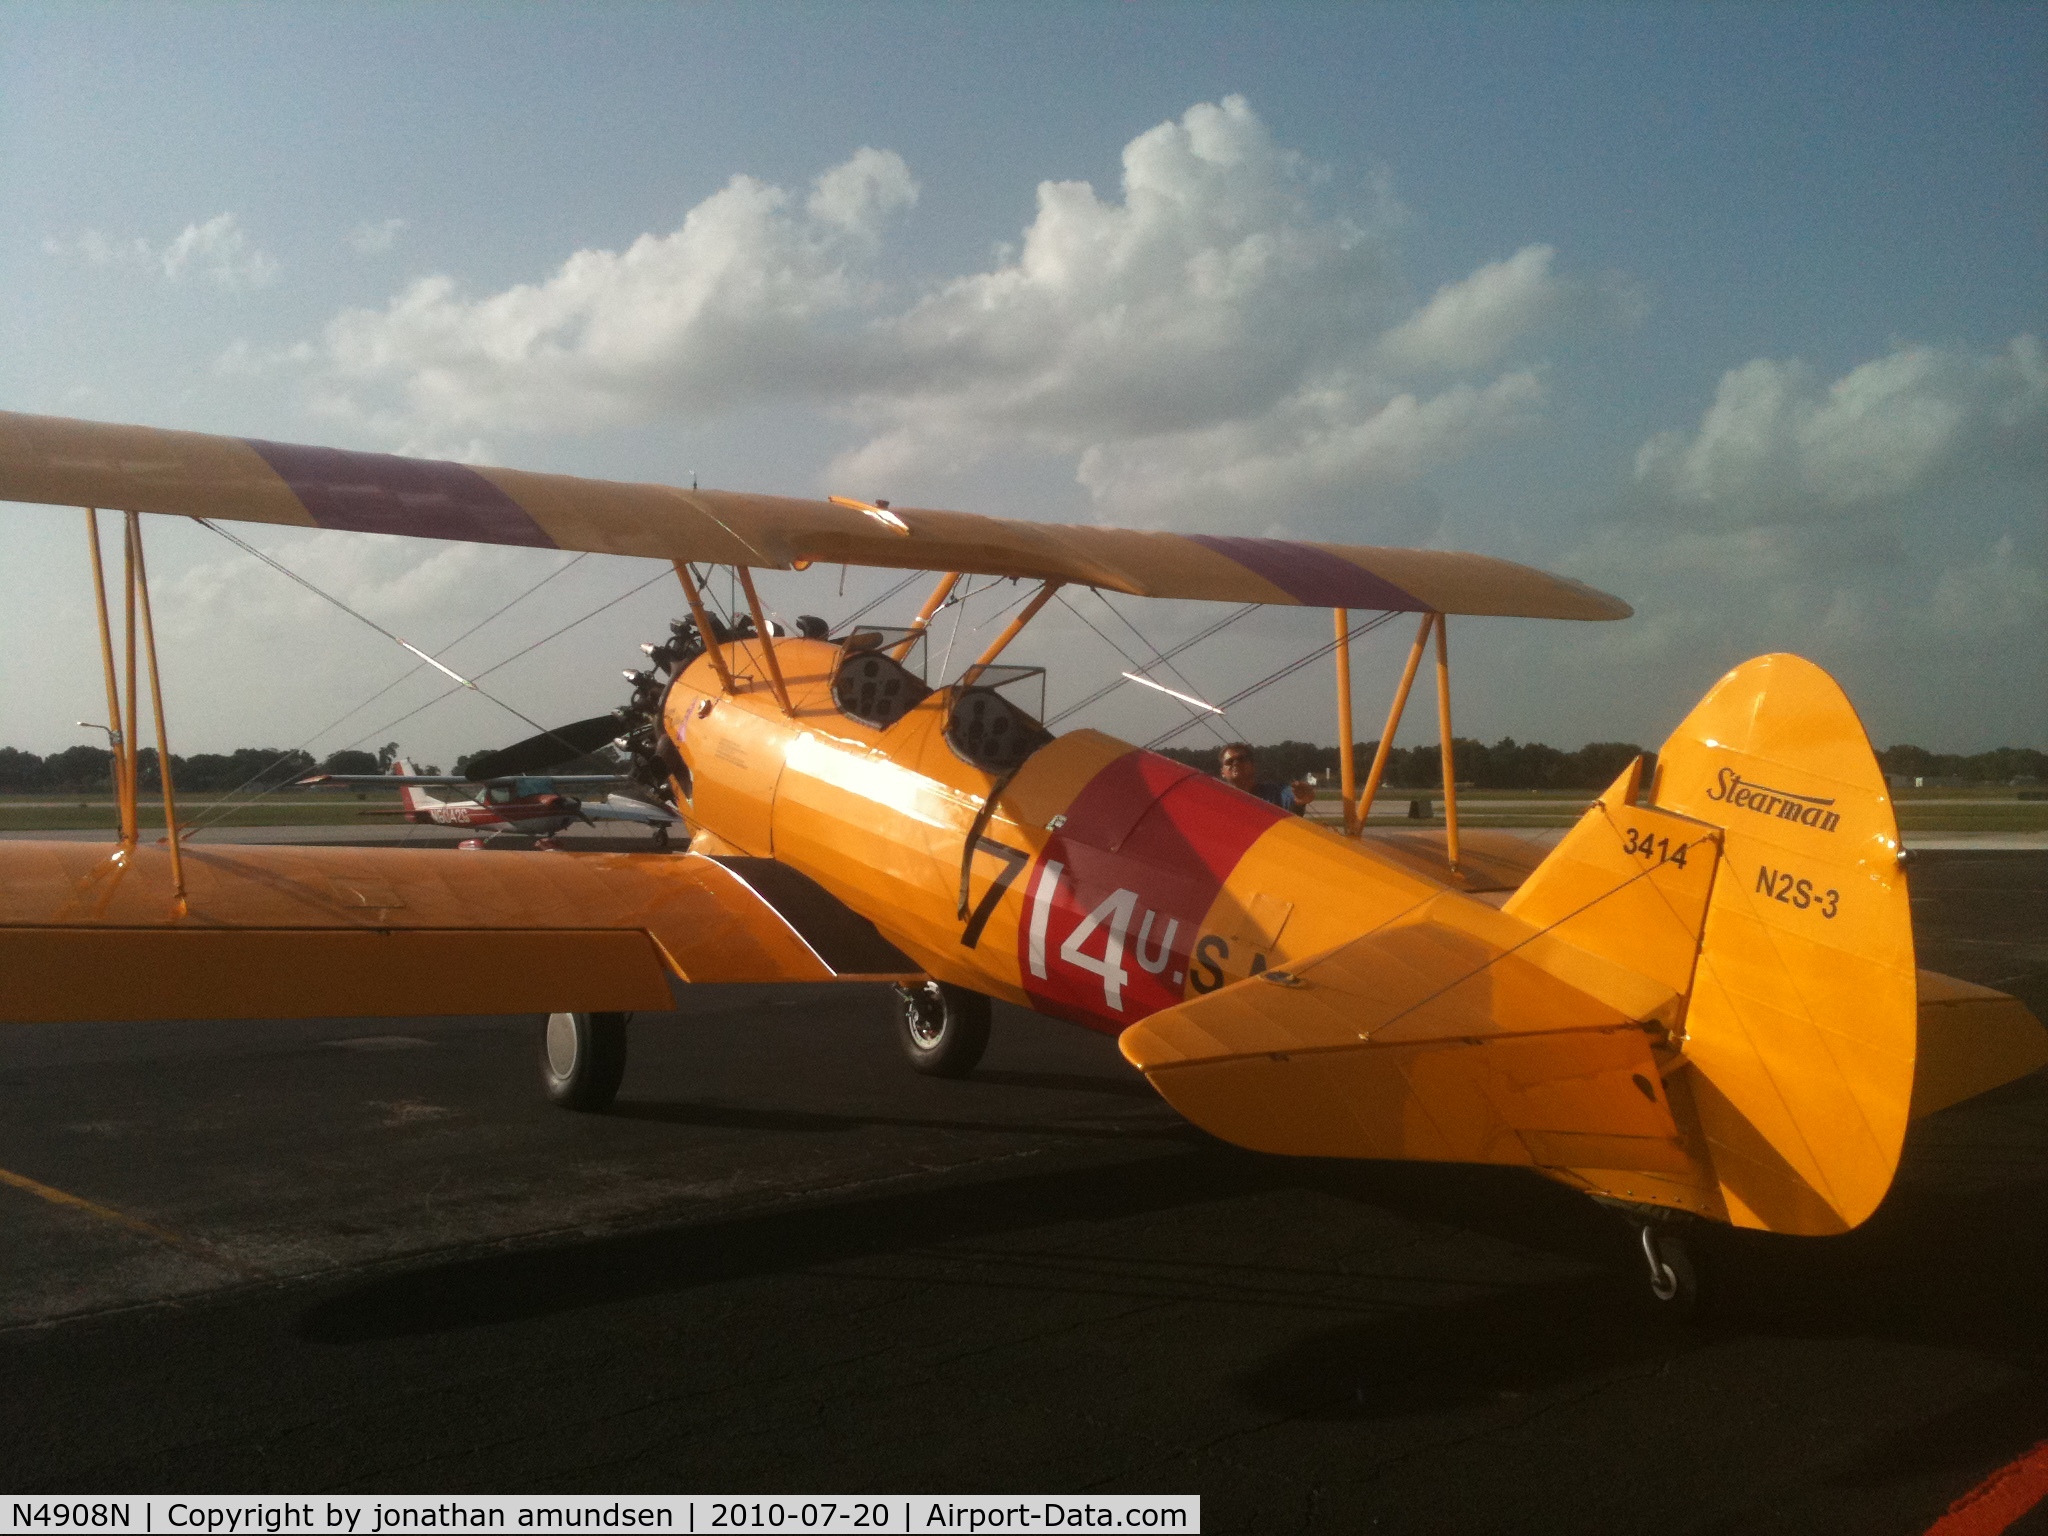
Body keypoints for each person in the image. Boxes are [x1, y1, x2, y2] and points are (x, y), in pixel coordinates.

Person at [1218, 743, 1311, 815]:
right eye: (1229, 761)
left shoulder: (1276, 793)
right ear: (1222, 772)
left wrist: (1303, 798)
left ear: (1253, 766)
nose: (1236, 764)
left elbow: (1298, 799)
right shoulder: (1218, 800)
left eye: (1241, 759)